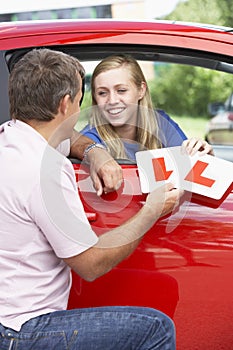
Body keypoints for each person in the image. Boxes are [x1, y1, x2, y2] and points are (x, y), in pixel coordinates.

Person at [0, 48, 184, 350]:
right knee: (156, 328)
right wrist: (153, 209)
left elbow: (69, 138)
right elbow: (91, 265)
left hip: (8, 317)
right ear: (65, 104)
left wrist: (93, 152)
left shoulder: (14, 139)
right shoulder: (42, 170)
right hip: (22, 331)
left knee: (164, 286)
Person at [81, 54, 213, 160]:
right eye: (102, 93)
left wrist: (204, 156)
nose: (112, 100)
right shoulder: (90, 140)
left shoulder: (161, 122)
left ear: (141, 90)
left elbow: (190, 168)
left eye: (121, 90)